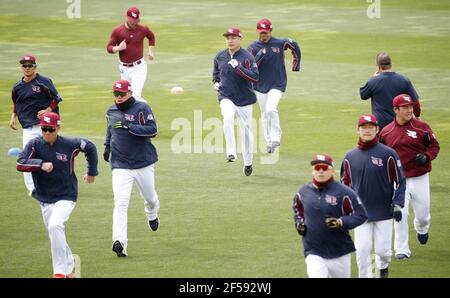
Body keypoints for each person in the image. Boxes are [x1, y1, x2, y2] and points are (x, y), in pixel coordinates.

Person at [16, 112, 98, 278]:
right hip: (45, 198)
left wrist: (91, 172)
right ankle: (69, 267)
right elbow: (20, 163)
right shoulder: (34, 145)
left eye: (50, 129)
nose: (46, 132)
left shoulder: (69, 144)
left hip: (66, 196)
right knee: (55, 232)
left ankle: (59, 272)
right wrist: (40, 165)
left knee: (55, 226)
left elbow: (89, 146)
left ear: (57, 128)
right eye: (44, 129)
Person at [341, 114, 406, 278]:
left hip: (383, 211)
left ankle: (383, 267)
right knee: (362, 251)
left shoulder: (388, 154)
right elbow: (343, 186)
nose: (367, 130)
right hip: (360, 214)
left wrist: (398, 204)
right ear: (358, 130)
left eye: (371, 127)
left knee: (383, 252)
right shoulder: (349, 157)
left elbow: (400, 181)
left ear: (377, 130)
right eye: (364, 127)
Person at [104, 80, 160, 257]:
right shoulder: (111, 111)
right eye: (116, 94)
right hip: (120, 165)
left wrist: (131, 127)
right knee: (120, 202)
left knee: (150, 198)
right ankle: (119, 242)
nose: (118, 98)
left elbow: (153, 130)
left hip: (143, 162)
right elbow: (110, 130)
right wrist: (107, 146)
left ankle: (151, 213)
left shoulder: (142, 108)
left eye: (121, 94)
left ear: (130, 93)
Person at [380, 94, 440, 260]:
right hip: (398, 181)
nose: (409, 110)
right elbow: (380, 154)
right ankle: (401, 249)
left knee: (423, 215)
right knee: (400, 214)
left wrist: (427, 156)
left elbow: (434, 146)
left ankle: (421, 228)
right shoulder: (386, 132)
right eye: (405, 107)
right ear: (396, 110)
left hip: (420, 177)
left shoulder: (422, 127)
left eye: (410, 107)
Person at [292, 154, 367, 278]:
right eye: (317, 168)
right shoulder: (303, 192)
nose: (320, 171)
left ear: (332, 170)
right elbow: (297, 209)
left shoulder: (345, 193)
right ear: (312, 171)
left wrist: (341, 222)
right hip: (313, 250)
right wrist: (299, 223)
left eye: (324, 168)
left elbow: (361, 215)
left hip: (340, 251)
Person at [10, 55, 62, 195]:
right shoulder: (17, 87)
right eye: (24, 65)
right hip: (28, 127)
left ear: (35, 67)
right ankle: (33, 189)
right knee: (27, 158)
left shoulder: (43, 82)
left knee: (53, 154)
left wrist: (47, 110)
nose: (27, 68)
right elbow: (16, 103)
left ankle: (56, 184)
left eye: (30, 65)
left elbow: (57, 98)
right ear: (21, 67)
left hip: (46, 126)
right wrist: (13, 117)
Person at [247, 18, 301, 153]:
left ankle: (276, 138)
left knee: (271, 109)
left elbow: (295, 46)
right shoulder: (253, 47)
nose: (263, 35)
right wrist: (258, 57)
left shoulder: (280, 43)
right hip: (260, 85)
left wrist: (296, 64)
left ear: (270, 31)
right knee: (264, 114)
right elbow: (248, 66)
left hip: (277, 83)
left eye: (265, 32)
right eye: (261, 33)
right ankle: (269, 141)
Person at [212, 27, 259, 176]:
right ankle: (231, 152)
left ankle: (248, 162)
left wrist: (239, 68)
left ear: (240, 39)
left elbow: (254, 77)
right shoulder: (220, 56)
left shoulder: (247, 57)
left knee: (246, 131)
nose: (230, 40)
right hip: (226, 96)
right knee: (227, 118)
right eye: (228, 38)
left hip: (245, 99)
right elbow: (216, 75)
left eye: (233, 38)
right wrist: (216, 83)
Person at [360, 52, 421, 130]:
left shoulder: (373, 81)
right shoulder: (404, 80)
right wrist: (417, 116)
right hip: (401, 124)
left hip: (381, 126)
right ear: (391, 65)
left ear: (378, 67)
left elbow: (363, 95)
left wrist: (373, 77)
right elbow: (416, 102)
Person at [107, 6, 155, 102]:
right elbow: (109, 48)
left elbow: (151, 37)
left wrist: (151, 51)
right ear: (127, 17)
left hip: (139, 67)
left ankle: (145, 113)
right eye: (132, 20)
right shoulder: (117, 31)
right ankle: (130, 116)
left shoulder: (143, 29)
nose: (134, 23)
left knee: (136, 95)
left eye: (136, 20)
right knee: (126, 97)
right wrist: (119, 48)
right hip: (124, 69)